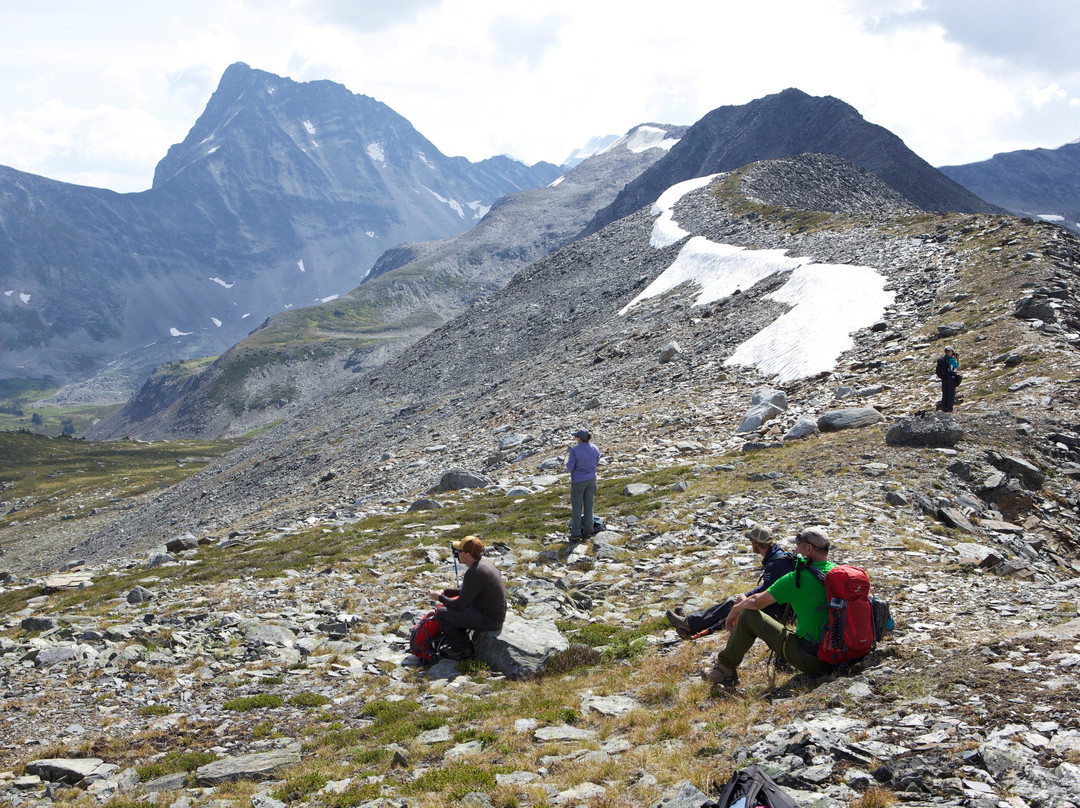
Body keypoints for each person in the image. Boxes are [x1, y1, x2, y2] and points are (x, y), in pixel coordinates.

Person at [703, 526, 838, 693]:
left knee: (748, 615)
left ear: (808, 549)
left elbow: (755, 603)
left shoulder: (796, 579)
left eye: (798, 545)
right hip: (841, 655)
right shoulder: (837, 572)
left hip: (812, 658)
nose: (795, 550)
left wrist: (735, 611)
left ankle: (724, 670)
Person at [666, 525, 795, 639]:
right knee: (735, 601)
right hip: (782, 607)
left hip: (780, 613)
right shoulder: (778, 557)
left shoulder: (776, 564)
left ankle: (689, 624)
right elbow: (769, 588)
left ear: (755, 543)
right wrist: (746, 596)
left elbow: (766, 594)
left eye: (751, 540)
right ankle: (691, 622)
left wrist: (745, 600)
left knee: (732, 604)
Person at [428, 536, 507, 660]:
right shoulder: (483, 564)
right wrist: (445, 592)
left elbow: (460, 605)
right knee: (451, 607)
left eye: (459, 551)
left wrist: (440, 598)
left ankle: (462, 650)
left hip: (490, 620)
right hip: (492, 614)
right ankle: (462, 641)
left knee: (442, 613)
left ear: (468, 555)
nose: (457, 553)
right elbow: (467, 592)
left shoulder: (474, 572)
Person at [566, 428, 600, 540]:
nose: (576, 438)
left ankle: (576, 533)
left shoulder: (575, 450)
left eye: (576, 436)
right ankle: (588, 530)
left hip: (578, 481)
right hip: (591, 479)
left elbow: (570, 467)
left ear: (580, 438)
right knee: (589, 505)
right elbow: (597, 461)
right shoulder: (595, 448)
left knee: (576, 507)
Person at [935, 346, 960, 412]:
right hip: (951, 378)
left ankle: (944, 408)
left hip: (944, 379)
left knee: (945, 393)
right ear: (950, 352)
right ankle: (949, 408)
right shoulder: (951, 360)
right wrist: (958, 359)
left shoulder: (943, 359)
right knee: (951, 394)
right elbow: (958, 367)